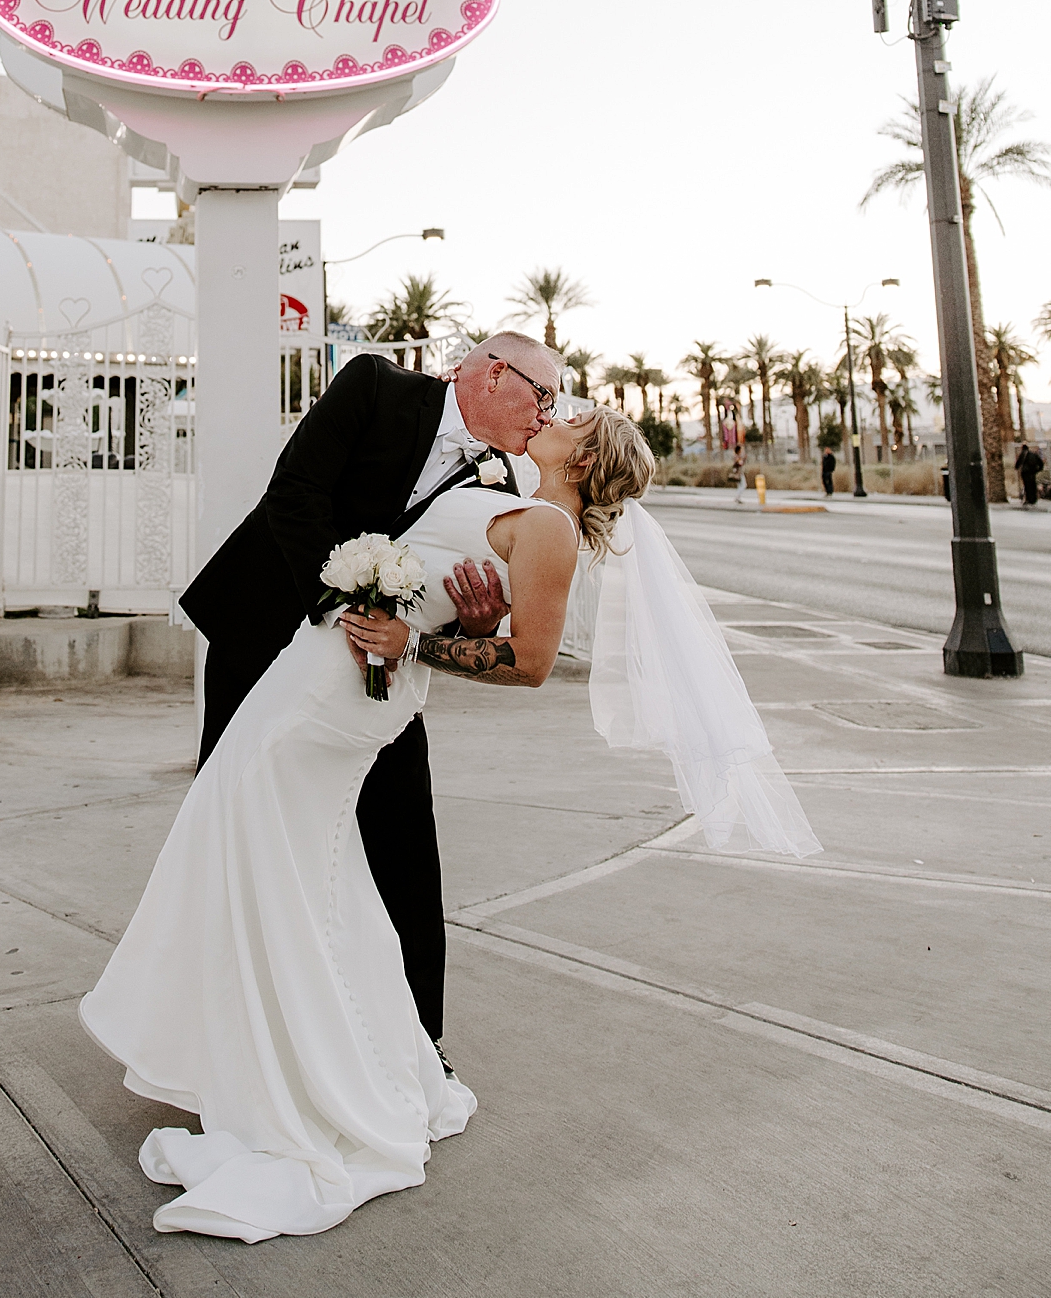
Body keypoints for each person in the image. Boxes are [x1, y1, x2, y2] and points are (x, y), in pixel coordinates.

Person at [80, 403, 820, 1242]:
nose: (558, 412)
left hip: (339, 698)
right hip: (318, 677)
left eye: (574, 417)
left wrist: (413, 641)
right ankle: (312, 1057)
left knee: (257, 848)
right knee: (299, 869)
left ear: (582, 461)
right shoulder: (513, 495)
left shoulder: (551, 528)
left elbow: (531, 662)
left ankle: (300, 1075)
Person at [182, 332, 558, 1053]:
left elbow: (479, 604)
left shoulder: (505, 489)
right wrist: (346, 607)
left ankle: (421, 1046)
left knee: (404, 845)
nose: (546, 415)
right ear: (493, 373)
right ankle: (221, 1037)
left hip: (379, 681)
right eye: (541, 395)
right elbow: (294, 494)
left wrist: (479, 615)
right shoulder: (375, 387)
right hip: (263, 632)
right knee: (231, 822)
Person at [1014, 441, 1044, 506]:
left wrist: (1017, 468)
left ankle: (1029, 499)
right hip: (1032, 472)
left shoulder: (1022, 454)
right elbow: (1040, 463)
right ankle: (1033, 499)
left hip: (1025, 473)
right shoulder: (1033, 454)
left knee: (1027, 486)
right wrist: (1038, 470)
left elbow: (1018, 464)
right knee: (1033, 485)